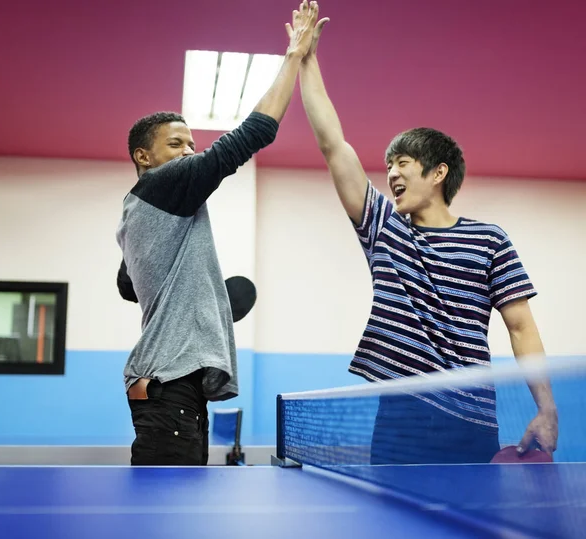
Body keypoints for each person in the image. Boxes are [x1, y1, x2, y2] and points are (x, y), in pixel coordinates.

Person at [295, 17, 558, 464]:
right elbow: (334, 145)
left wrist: (547, 407)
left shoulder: (490, 239)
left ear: (438, 173)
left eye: (402, 163)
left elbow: (521, 327)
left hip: (471, 420)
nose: (391, 173)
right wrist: (306, 60)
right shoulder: (385, 229)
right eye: (388, 166)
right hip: (401, 417)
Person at [115, 0, 320, 466]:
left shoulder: (134, 216)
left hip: (169, 383)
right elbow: (254, 134)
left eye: (192, 142)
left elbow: (128, 286)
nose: (190, 150)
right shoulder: (163, 185)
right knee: (168, 510)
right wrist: (294, 56)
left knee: (178, 506)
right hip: (169, 385)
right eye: (175, 144)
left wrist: (201, 304)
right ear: (144, 158)